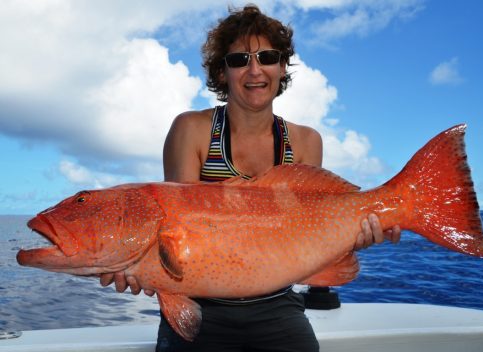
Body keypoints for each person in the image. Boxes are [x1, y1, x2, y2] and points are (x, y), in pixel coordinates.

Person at [100, 4, 401, 351]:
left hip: (278, 307)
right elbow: (177, 229)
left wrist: (351, 236)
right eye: (239, 59)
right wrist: (134, 263)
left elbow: (310, 235)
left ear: (282, 65)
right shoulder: (192, 130)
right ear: (222, 71)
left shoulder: (305, 141)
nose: (254, 70)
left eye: (267, 57)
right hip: (202, 307)